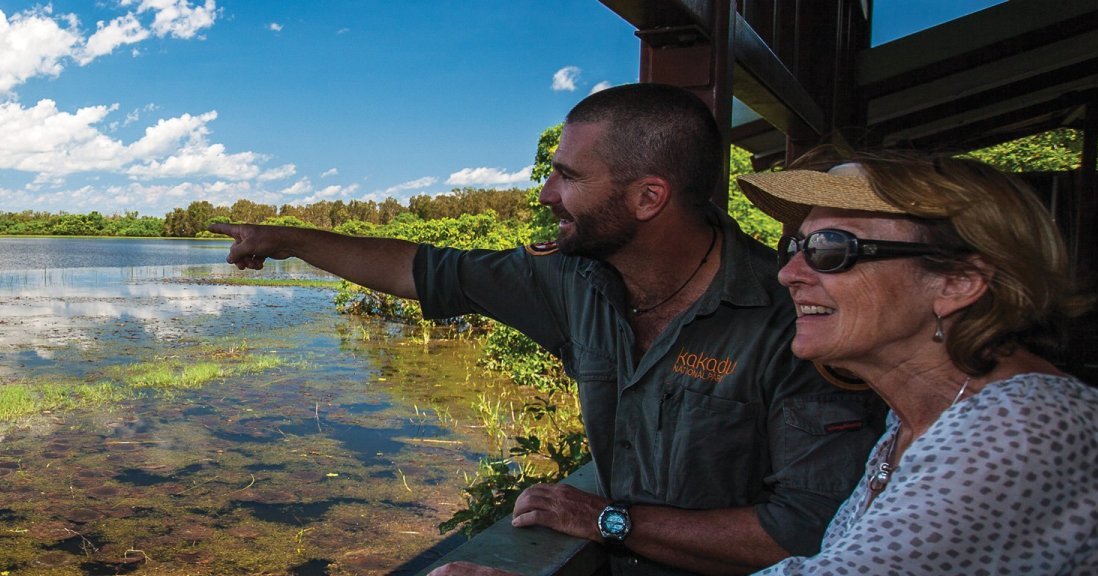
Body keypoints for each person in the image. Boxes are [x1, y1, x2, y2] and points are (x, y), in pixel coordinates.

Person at [212, 83, 883, 575]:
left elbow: (811, 532)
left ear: (649, 197)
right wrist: (288, 239)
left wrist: (606, 521)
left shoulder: (796, 317)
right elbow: (426, 270)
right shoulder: (570, 279)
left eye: (566, 175)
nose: (545, 195)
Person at [730, 148, 1098, 574]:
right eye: (794, 246)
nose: (789, 273)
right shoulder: (925, 418)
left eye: (830, 249)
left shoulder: (1021, 428)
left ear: (958, 282)